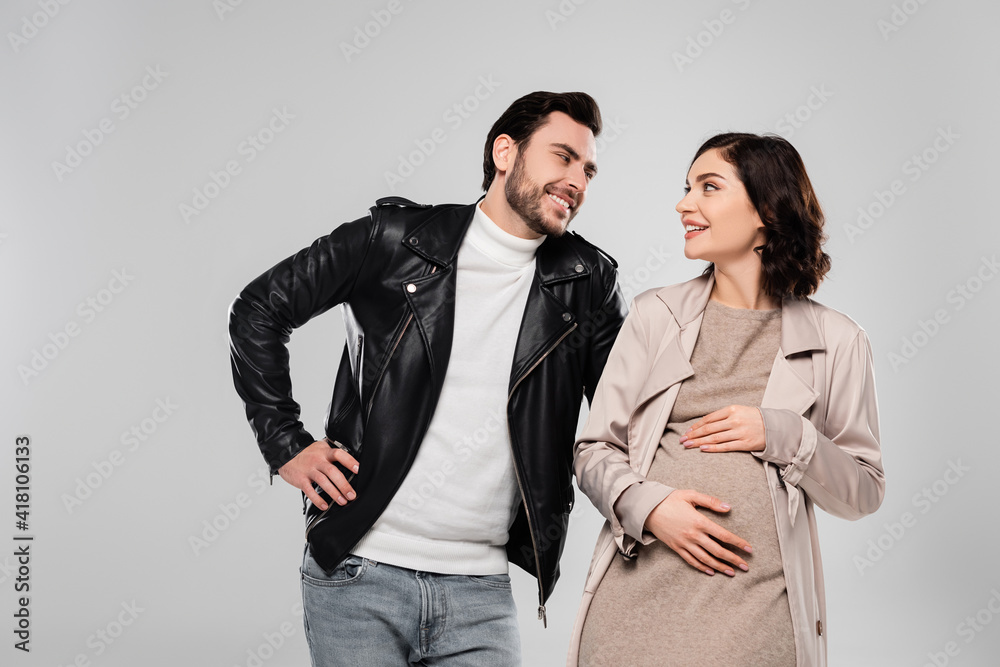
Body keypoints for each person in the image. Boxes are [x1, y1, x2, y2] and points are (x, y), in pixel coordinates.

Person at [228, 91, 627, 667]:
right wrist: (285, 443)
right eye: (562, 157)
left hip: (481, 592)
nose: (577, 181)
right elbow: (259, 309)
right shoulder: (393, 241)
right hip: (359, 574)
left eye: (588, 170)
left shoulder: (586, 280)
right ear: (505, 152)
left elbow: (631, 413)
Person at [568, 133, 885, 666]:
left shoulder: (839, 340)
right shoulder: (654, 316)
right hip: (632, 625)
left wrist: (785, 434)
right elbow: (594, 449)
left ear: (766, 208)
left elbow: (863, 491)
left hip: (757, 629)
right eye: (687, 188)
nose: (684, 203)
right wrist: (651, 507)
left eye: (708, 187)